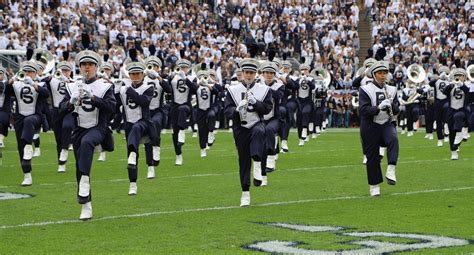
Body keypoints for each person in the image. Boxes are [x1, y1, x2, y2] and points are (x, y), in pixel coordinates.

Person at [59, 50, 116, 220]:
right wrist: (70, 102)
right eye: (84, 65)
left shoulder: (105, 86)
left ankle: (85, 179)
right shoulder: (71, 86)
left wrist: (94, 98)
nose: (87, 68)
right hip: (79, 129)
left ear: (96, 67)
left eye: (90, 65)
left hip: (98, 127)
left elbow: (112, 108)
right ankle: (86, 206)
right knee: (79, 166)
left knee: (87, 143)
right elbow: (59, 110)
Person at [224, 58, 273, 207]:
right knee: (243, 160)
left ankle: (258, 165)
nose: (249, 75)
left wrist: (255, 103)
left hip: (256, 122)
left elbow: (267, 108)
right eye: (246, 72)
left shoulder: (263, 89)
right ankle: (245, 192)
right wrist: (236, 109)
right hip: (240, 127)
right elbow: (226, 110)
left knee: (259, 132)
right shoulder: (233, 90)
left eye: (251, 72)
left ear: (256, 73)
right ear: (242, 73)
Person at [359, 61, 400, 196]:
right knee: (373, 157)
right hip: (370, 126)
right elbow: (363, 110)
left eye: (385, 73)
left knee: (393, 138)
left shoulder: (392, 89)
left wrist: (392, 106)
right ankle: (374, 186)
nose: (383, 76)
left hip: (386, 122)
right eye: (380, 73)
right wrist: (378, 107)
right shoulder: (365, 89)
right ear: (374, 75)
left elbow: (397, 109)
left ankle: (391, 169)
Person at [119, 60, 155, 195]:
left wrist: (128, 90)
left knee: (136, 128)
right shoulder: (123, 89)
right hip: (128, 124)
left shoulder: (148, 87)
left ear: (142, 75)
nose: (135, 77)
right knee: (131, 157)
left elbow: (143, 101)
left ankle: (137, 156)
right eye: (132, 74)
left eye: (138, 74)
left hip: (144, 123)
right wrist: (115, 90)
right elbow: (114, 104)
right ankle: (132, 184)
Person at [143, 56, 171, 178]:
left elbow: (168, 89)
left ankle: (157, 147)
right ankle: (150, 167)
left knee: (155, 123)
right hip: (145, 112)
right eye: (150, 66)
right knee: (147, 139)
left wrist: (158, 77)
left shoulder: (161, 80)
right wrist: (143, 74)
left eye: (154, 66)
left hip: (158, 111)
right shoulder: (142, 79)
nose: (152, 69)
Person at [168, 59, 198, 166]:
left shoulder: (191, 77)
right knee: (174, 134)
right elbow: (167, 89)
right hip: (175, 106)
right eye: (181, 67)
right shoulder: (173, 78)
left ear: (188, 68)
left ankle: (182, 131)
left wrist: (185, 78)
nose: (183, 69)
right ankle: (178, 155)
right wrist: (169, 77)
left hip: (186, 106)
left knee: (182, 110)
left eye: (185, 67)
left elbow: (195, 89)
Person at [47, 61, 75, 173]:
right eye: (62, 70)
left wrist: (68, 80)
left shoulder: (73, 81)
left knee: (67, 126)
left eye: (67, 70)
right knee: (58, 138)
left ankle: (65, 149)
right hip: (56, 111)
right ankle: (61, 163)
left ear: (70, 72)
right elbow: (42, 81)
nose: (64, 72)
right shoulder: (53, 80)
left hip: (68, 109)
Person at [442, 68, 470, 160]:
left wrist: (461, 85)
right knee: (451, 132)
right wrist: (451, 85)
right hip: (451, 110)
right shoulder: (452, 86)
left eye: (461, 76)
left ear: (464, 77)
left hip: (462, 110)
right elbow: (444, 92)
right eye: (457, 76)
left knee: (459, 117)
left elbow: (467, 92)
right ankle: (453, 151)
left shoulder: (467, 86)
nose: (459, 77)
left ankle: (459, 134)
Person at [0, 66, 13, 148]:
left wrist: (12, 79)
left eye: (0, 74)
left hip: (4, 109)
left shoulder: (5, 83)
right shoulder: (5, 83)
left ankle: (0, 139)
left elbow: (7, 88)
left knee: (3, 122)